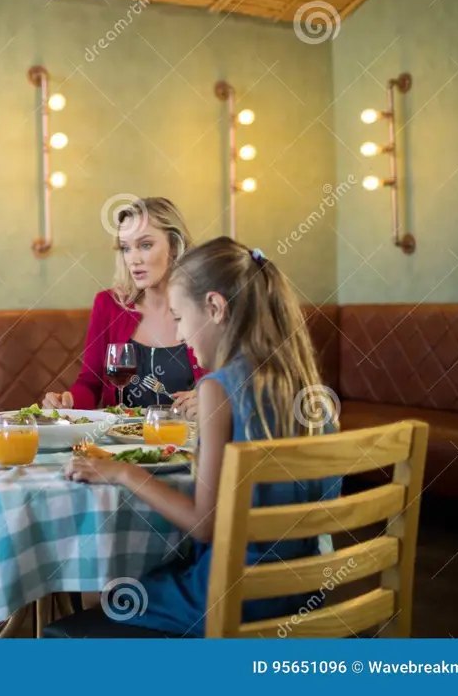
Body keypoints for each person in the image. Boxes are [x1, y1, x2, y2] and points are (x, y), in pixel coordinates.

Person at [63, 237, 342, 636]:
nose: (180, 336)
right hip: (303, 593)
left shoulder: (218, 388)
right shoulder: (307, 387)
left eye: (179, 318)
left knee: (96, 590)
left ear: (214, 307)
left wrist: (123, 472)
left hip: (225, 600)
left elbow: (205, 525)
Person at [43, 197, 204, 417]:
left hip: (187, 444)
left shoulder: (205, 307)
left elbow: (239, 381)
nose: (133, 259)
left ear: (175, 246)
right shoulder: (109, 305)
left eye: (145, 245)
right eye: (126, 248)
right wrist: (68, 401)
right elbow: (90, 385)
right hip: (123, 446)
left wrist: (212, 398)